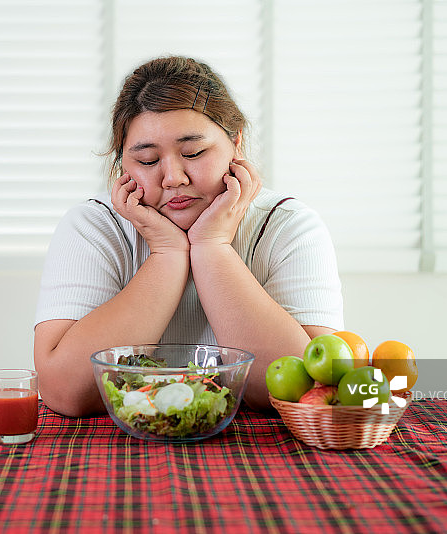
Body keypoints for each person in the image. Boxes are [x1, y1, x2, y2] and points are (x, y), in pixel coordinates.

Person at [34, 56, 344, 417]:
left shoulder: (288, 225)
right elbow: (65, 392)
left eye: (193, 153)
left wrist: (213, 249)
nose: (173, 178)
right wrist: (167, 254)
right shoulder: (93, 227)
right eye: (148, 161)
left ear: (236, 143)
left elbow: (308, 389)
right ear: (123, 165)